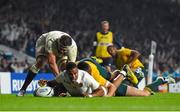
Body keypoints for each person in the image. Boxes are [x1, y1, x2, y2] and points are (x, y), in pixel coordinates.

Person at [17, 31, 77, 96]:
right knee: (41, 62)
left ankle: (60, 90)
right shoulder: (51, 41)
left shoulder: (72, 48)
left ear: (68, 48)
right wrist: (60, 80)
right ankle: (23, 89)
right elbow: (51, 63)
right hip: (43, 42)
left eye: (64, 50)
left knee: (65, 67)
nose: (61, 51)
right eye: (61, 48)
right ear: (58, 42)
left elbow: (71, 68)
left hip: (59, 47)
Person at [39, 62, 106, 97]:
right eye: (71, 74)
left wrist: (90, 95)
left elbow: (101, 91)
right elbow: (52, 83)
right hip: (76, 95)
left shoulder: (85, 77)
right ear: (66, 72)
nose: (74, 76)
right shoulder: (63, 75)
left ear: (78, 70)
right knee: (59, 87)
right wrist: (45, 82)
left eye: (75, 73)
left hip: (100, 90)